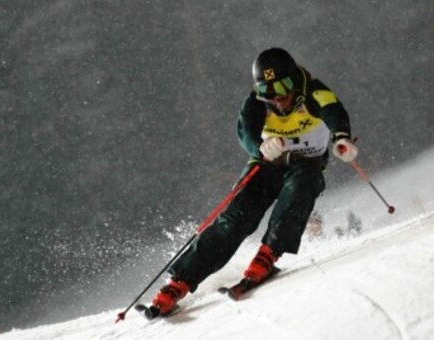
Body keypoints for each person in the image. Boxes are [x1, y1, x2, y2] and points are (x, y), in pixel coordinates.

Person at [147, 47, 358, 316]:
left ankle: (269, 254)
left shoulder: (314, 92)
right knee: (236, 217)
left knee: (297, 191)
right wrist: (259, 147)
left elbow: (333, 111)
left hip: (306, 164)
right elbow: (245, 131)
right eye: (268, 91)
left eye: (284, 85)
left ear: (295, 79)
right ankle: (180, 280)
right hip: (268, 164)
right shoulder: (256, 104)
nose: (279, 97)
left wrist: (341, 138)